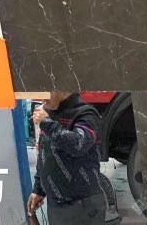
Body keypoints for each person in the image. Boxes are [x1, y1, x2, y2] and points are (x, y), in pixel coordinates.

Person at [27, 92, 105, 225]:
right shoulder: (50, 114)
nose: (42, 97)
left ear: (64, 90)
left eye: (47, 91)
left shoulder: (86, 114)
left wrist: (47, 123)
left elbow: (78, 145)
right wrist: (38, 189)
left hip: (82, 205)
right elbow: (45, 153)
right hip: (56, 204)